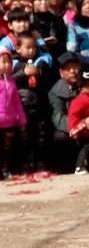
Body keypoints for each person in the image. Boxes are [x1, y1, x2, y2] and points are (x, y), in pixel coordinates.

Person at [12, 33, 50, 170]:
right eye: (27, 47)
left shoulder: (40, 62)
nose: (31, 51)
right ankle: (25, 162)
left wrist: (38, 73)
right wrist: (23, 73)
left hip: (38, 104)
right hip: (22, 106)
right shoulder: (15, 64)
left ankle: (40, 161)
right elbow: (11, 83)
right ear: (18, 48)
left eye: (33, 47)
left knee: (40, 135)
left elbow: (47, 79)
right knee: (23, 137)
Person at [0, 47, 26, 179]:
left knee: (6, 149)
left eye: (8, 62)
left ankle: (5, 169)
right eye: (2, 61)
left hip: (8, 123)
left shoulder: (11, 82)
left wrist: (21, 121)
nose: (6, 65)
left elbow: (17, 103)